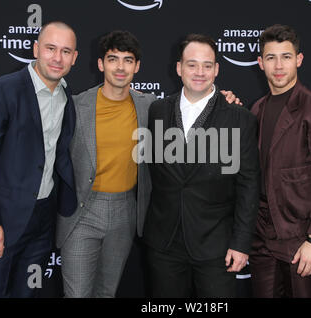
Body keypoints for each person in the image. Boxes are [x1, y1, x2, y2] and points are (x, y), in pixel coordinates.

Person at [56, 31, 239, 298]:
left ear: (137, 66)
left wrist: (224, 99)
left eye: (128, 60)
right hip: (82, 211)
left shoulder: (151, 107)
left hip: (126, 211)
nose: (120, 67)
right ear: (100, 64)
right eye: (113, 59)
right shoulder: (74, 106)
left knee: (106, 293)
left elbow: (196, 105)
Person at [0, 21, 78, 297]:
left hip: (42, 221)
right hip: (1, 219)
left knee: (28, 293)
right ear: (36, 49)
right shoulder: (1, 90)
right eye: (51, 48)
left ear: (74, 58)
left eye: (65, 51)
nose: (57, 57)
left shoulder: (66, 97)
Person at [143, 33, 260, 297]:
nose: (199, 72)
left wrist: (241, 244)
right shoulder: (158, 111)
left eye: (207, 65)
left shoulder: (240, 118)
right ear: (179, 68)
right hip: (164, 242)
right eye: (192, 64)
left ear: (217, 69)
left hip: (216, 245)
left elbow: (249, 185)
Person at [249, 24, 311, 298]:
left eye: (286, 56)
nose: (278, 65)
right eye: (271, 57)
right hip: (261, 240)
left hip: (301, 241)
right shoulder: (256, 109)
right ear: (260, 63)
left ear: (299, 60)